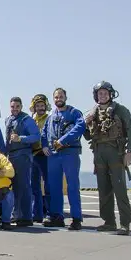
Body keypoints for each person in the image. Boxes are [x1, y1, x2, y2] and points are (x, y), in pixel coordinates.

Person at [84, 81, 131, 235]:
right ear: (96, 96)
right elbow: (88, 135)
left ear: (111, 94)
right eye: (100, 93)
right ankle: (109, 222)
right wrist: (85, 125)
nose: (103, 95)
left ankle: (125, 224)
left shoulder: (121, 110)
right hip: (99, 153)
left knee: (120, 189)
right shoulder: (92, 113)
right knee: (103, 189)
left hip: (116, 152)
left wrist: (129, 151)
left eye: (105, 93)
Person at [41, 88, 86, 230]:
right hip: (53, 155)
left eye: (61, 96)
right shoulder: (50, 116)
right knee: (54, 187)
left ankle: (76, 218)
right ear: (53, 99)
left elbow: (80, 126)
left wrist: (63, 140)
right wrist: (44, 146)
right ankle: (57, 216)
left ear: (65, 97)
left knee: (72, 186)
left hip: (69, 153)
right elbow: (44, 133)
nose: (58, 99)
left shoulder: (74, 113)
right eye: (56, 97)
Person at [4, 97, 40, 226]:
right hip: (11, 156)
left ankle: (26, 216)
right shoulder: (8, 120)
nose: (15, 109)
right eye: (13, 106)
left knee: (24, 186)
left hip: (23, 155)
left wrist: (21, 138)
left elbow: (36, 136)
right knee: (14, 187)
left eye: (17, 106)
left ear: (21, 106)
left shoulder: (26, 120)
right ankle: (17, 214)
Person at [29, 94, 52, 222]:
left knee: (48, 185)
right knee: (34, 187)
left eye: (42, 105)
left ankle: (49, 213)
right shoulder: (31, 120)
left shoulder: (49, 118)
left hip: (45, 155)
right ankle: (36, 214)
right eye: (38, 106)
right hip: (33, 155)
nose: (40, 108)